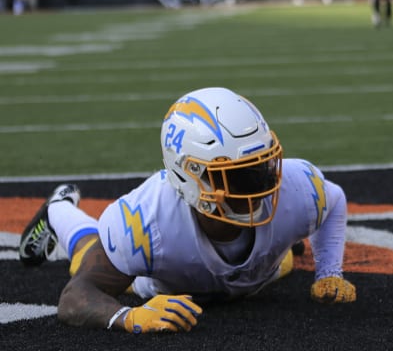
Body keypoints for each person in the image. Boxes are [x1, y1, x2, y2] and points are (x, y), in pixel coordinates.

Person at [17, 87, 355, 333]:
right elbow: (75, 296)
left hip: (262, 271)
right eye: (235, 176)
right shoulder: (147, 220)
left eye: (261, 166)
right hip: (168, 285)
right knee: (88, 255)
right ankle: (58, 209)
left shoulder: (293, 189)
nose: (259, 189)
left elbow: (334, 200)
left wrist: (329, 273)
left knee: (284, 257)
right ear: (186, 176)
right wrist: (129, 317)